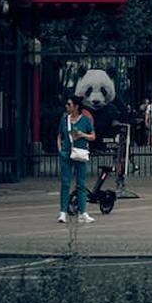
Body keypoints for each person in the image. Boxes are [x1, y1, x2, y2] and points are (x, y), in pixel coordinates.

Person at [57, 94, 96, 224]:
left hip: (80, 153)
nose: (66, 107)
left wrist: (82, 135)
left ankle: (82, 212)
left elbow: (93, 136)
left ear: (76, 106)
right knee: (65, 183)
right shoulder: (64, 119)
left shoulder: (85, 120)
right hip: (67, 153)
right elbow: (59, 135)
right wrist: (60, 150)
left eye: (69, 104)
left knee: (81, 184)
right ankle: (63, 212)